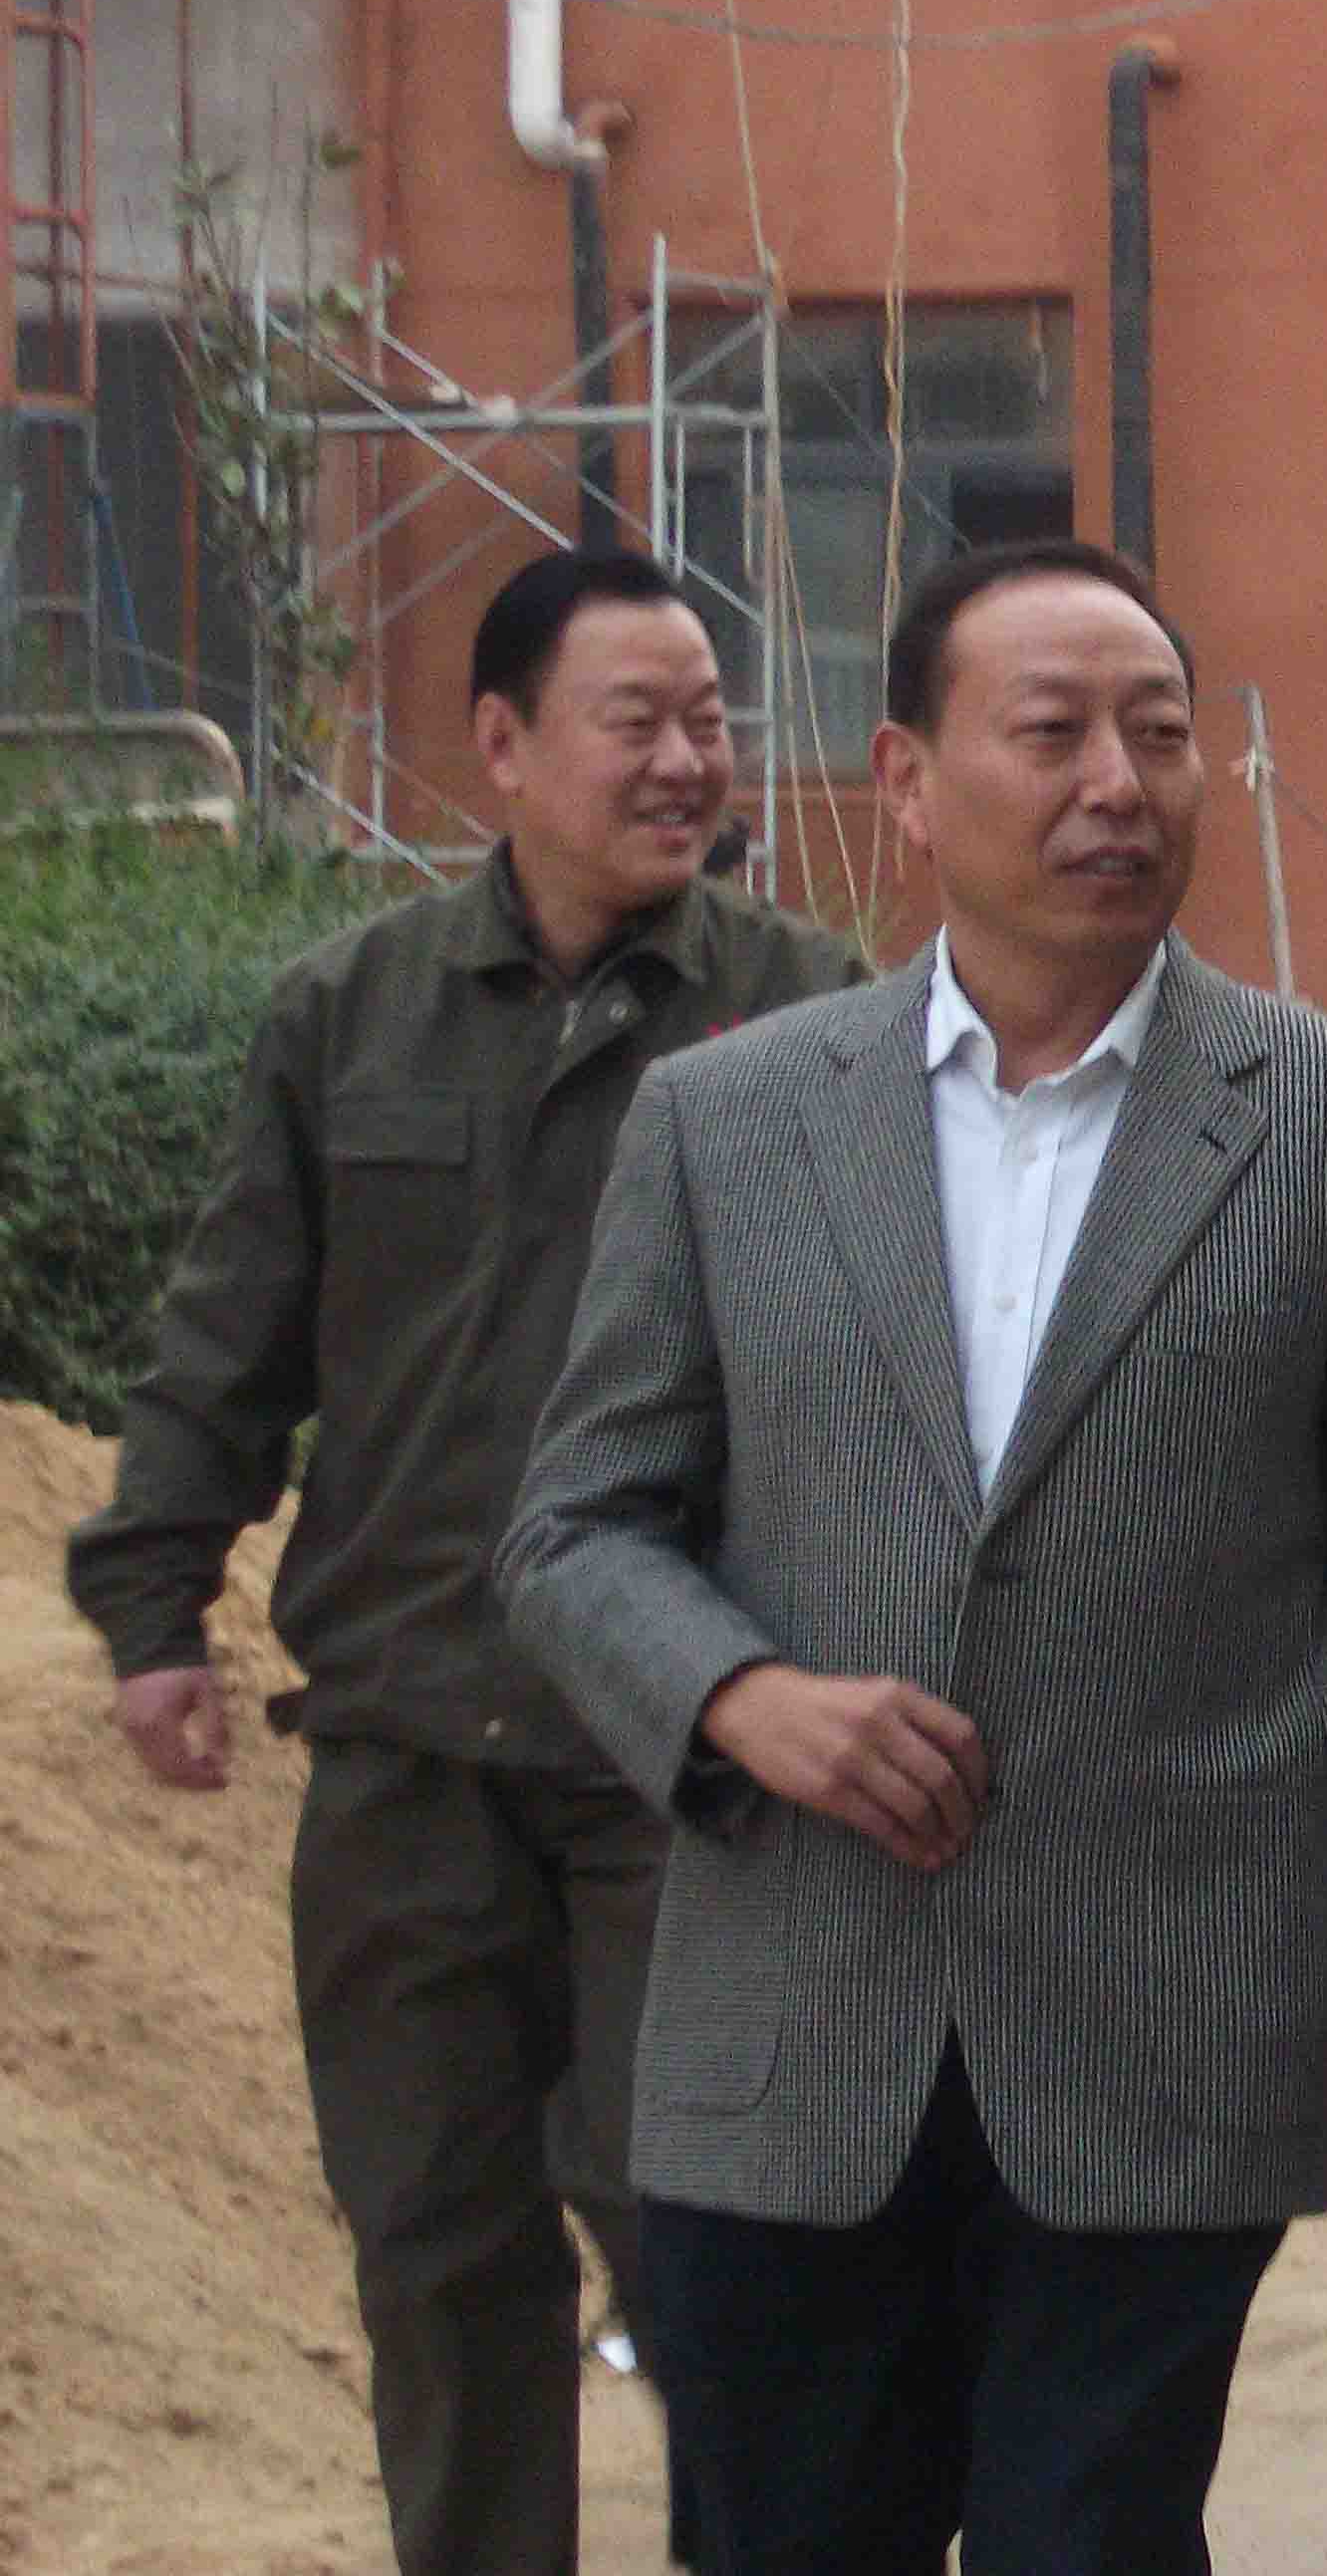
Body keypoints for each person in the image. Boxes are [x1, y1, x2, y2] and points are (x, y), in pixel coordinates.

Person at [499, 538, 1327, 2576]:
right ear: (905, 780)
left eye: (1159, 737)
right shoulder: (730, 1124)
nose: (1117, 786)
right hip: (789, 2036)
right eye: (1053, 732)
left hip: (1158, 2035)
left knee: (1095, 2537)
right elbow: (575, 1525)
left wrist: (1256, 1771)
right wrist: (741, 1699)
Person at [64, 546, 858, 2576]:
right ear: (501, 744)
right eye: (636, 722)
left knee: (706, 2240)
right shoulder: (354, 1013)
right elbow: (233, 1333)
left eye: (709, 722)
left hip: (685, 1758)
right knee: (433, 2244)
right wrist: (156, 1606)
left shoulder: (808, 1016)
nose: (686, 762)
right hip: (408, 1741)